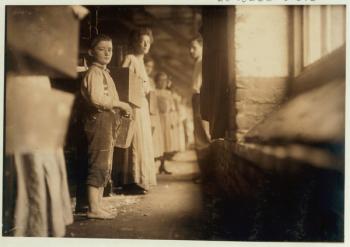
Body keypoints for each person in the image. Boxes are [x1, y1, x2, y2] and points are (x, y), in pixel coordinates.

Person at [80, 34, 132, 219]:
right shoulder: (94, 73)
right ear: (91, 52)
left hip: (106, 121)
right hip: (98, 120)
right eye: (102, 49)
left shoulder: (104, 73)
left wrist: (120, 107)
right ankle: (93, 208)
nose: (107, 53)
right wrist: (120, 104)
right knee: (99, 162)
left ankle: (97, 205)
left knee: (105, 163)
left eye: (109, 49)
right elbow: (97, 99)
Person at [121, 28, 157, 192]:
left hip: (142, 106)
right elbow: (122, 80)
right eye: (142, 41)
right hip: (134, 105)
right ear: (136, 42)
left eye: (148, 42)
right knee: (135, 141)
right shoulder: (131, 58)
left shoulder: (142, 62)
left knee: (143, 141)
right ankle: (131, 180)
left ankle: (141, 178)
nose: (145, 45)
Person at [189, 35, 211, 184]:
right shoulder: (199, 62)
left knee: (202, 135)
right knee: (198, 135)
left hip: (200, 97)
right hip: (197, 97)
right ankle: (204, 172)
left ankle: (207, 175)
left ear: (202, 47)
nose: (190, 51)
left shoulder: (203, 62)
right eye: (189, 48)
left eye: (194, 47)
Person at [155, 72, 174, 174]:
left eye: (164, 80)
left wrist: (171, 121)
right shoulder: (154, 91)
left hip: (166, 119)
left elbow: (171, 108)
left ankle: (162, 165)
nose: (162, 82)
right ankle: (155, 165)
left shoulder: (168, 93)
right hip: (157, 118)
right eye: (160, 80)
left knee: (165, 142)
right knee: (158, 141)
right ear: (156, 81)